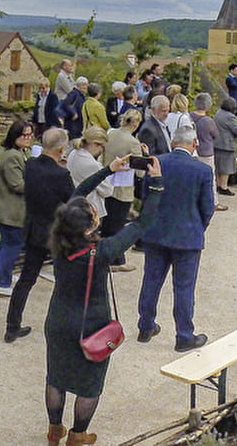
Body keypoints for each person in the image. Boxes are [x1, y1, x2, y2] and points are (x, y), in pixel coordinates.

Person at [40, 150, 150, 446]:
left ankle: (54, 431)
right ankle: (78, 435)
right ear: (90, 228)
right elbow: (141, 224)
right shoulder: (100, 253)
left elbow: (77, 195)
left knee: (56, 377)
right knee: (89, 385)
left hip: (59, 320)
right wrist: (157, 183)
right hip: (91, 325)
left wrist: (108, 170)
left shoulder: (59, 238)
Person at [135, 126, 215, 352]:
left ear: (173, 142)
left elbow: (145, 196)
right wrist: (199, 227)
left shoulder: (156, 162)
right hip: (187, 236)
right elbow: (207, 207)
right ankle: (184, 335)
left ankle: (145, 325)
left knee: (151, 280)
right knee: (184, 287)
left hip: (156, 232)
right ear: (194, 144)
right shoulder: (202, 170)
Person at [5, 129, 80, 342]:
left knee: (27, 278)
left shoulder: (30, 166)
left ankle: (12, 325)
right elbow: (72, 202)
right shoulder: (61, 175)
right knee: (65, 281)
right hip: (56, 233)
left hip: (33, 228)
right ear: (61, 149)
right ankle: (64, 328)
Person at [0, 119, 33, 296]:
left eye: (29, 135)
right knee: (13, 244)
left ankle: (0, 274)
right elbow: (17, 185)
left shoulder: (15, 153)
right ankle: (0, 281)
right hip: (11, 210)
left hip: (7, 208)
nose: (27, 138)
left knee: (6, 243)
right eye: (24, 135)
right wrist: (37, 182)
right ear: (15, 135)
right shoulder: (13, 156)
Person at [101, 109, 143, 270]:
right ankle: (116, 259)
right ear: (136, 124)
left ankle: (109, 255)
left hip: (106, 181)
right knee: (118, 224)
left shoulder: (110, 133)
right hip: (123, 185)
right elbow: (139, 169)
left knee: (107, 222)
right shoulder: (133, 142)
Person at [66, 127, 113, 218]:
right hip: (90, 209)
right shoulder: (91, 164)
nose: (101, 151)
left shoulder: (74, 153)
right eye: (102, 147)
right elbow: (107, 191)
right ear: (95, 144)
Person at [190, 93, 226, 211]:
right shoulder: (208, 120)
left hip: (193, 150)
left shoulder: (189, 116)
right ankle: (214, 202)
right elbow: (215, 134)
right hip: (206, 151)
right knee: (210, 178)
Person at [213, 97, 237, 197]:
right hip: (227, 145)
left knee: (217, 166)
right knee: (226, 168)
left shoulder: (218, 113)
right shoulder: (230, 117)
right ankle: (223, 187)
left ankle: (217, 185)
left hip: (216, 143)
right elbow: (236, 130)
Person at [57, 77, 88, 142]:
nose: (86, 87)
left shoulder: (81, 95)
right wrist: (73, 113)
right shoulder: (74, 93)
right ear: (79, 85)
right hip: (72, 124)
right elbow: (66, 103)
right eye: (84, 85)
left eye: (86, 84)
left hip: (77, 125)